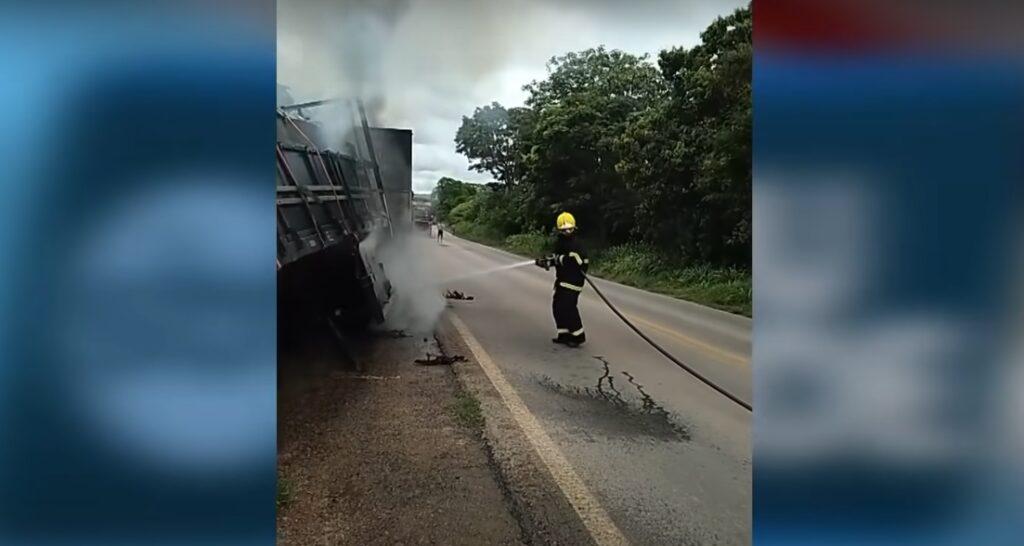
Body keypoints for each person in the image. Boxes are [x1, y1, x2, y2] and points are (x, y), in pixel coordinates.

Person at [544, 212, 589, 346]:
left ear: (574, 228)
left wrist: (560, 259)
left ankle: (578, 336)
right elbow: (557, 258)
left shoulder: (577, 244)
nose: (567, 231)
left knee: (568, 307)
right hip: (562, 280)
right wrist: (547, 262)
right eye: (564, 230)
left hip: (574, 281)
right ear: (559, 230)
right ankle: (564, 333)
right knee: (557, 306)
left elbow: (579, 261)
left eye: (569, 229)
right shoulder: (560, 243)